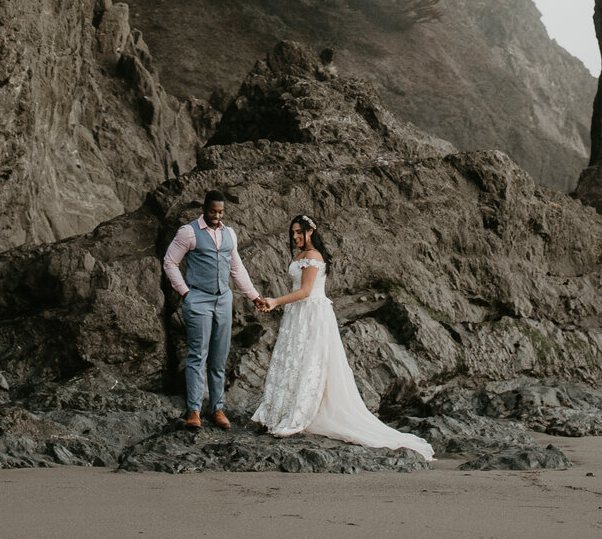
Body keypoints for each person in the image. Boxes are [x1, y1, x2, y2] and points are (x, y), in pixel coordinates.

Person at [250, 214, 432, 458]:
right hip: (299, 314)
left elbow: (305, 291)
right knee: (294, 360)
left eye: (298, 232)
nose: (294, 237)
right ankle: (285, 408)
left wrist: (276, 301)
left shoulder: (313, 257)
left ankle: (303, 410)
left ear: (310, 231)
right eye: (292, 233)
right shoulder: (301, 256)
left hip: (311, 314)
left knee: (308, 362)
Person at [159, 190, 264, 430]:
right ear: (204, 209)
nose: (217, 216)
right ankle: (194, 411)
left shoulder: (229, 234)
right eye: (213, 211)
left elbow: (237, 269)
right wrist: (185, 292)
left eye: (220, 212)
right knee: (197, 354)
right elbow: (170, 262)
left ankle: (217, 408)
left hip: (224, 300)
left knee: (220, 356)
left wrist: (254, 296)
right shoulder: (188, 232)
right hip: (198, 300)